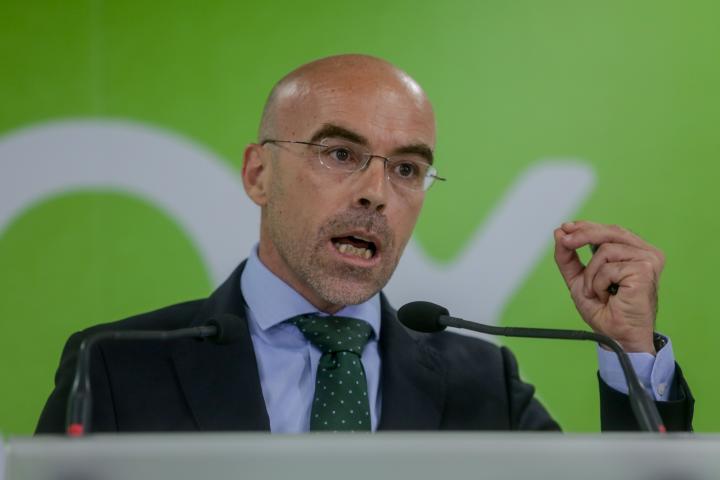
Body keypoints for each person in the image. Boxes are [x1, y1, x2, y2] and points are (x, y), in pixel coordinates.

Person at [36, 54, 693, 434]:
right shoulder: (117, 365)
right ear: (258, 174)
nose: (376, 193)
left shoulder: (482, 385)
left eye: (406, 168)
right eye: (340, 153)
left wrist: (630, 352)